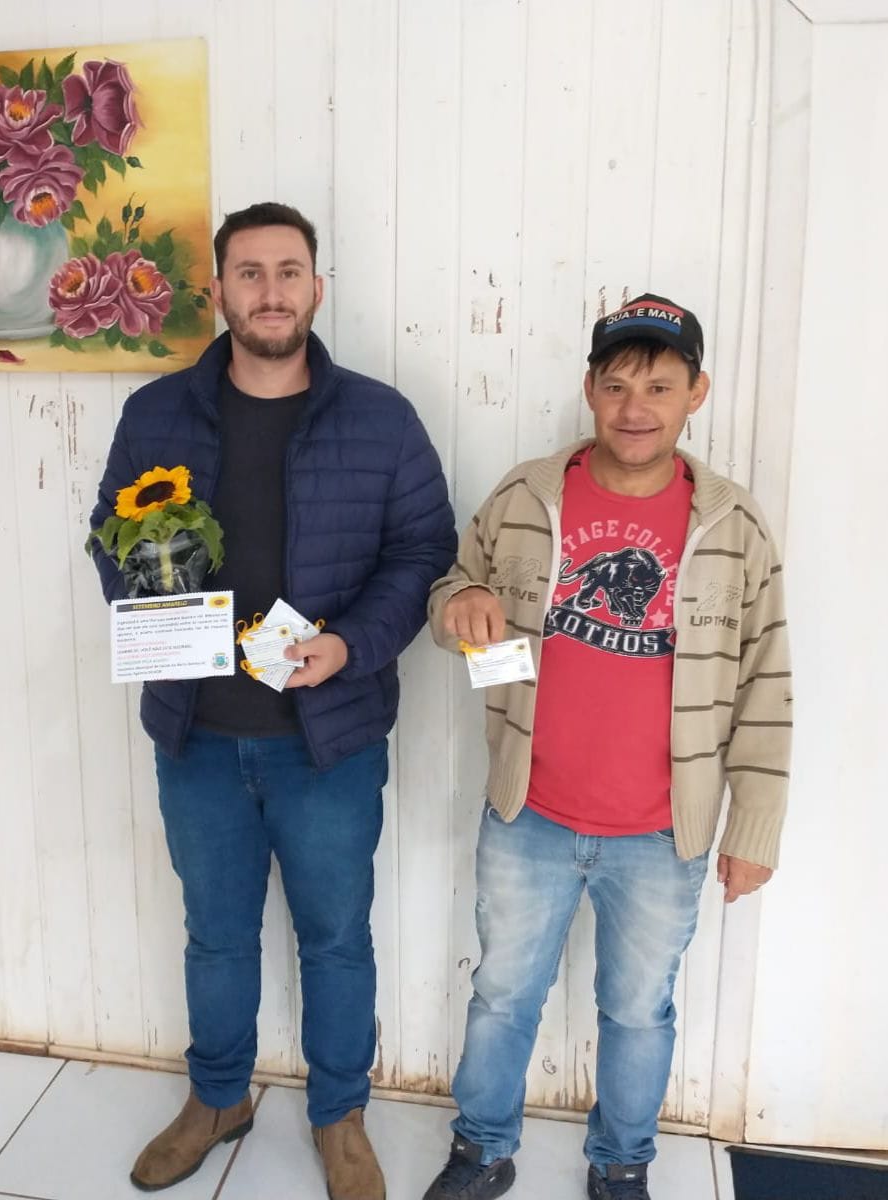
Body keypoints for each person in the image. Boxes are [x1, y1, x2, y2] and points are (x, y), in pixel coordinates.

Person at [89, 201, 456, 1199]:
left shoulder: (381, 419)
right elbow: (108, 538)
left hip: (327, 742)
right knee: (215, 936)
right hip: (197, 737)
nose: (270, 291)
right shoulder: (156, 413)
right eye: (248, 273)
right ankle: (219, 1098)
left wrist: (352, 645)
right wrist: (152, 614)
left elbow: (423, 550)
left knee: (336, 940)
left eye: (289, 271)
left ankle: (340, 1115)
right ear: (218, 291)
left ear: (317, 288)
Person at [423, 295, 791, 1200]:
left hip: (663, 832)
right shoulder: (526, 495)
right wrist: (460, 605)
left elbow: (766, 685)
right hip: (530, 813)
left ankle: (622, 1163)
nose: (636, 407)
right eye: (618, 384)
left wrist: (755, 828)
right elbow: (453, 588)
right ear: (589, 388)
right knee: (502, 997)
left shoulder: (735, 527)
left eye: (660, 387)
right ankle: (482, 1149)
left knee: (638, 1012)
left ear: (697, 393)